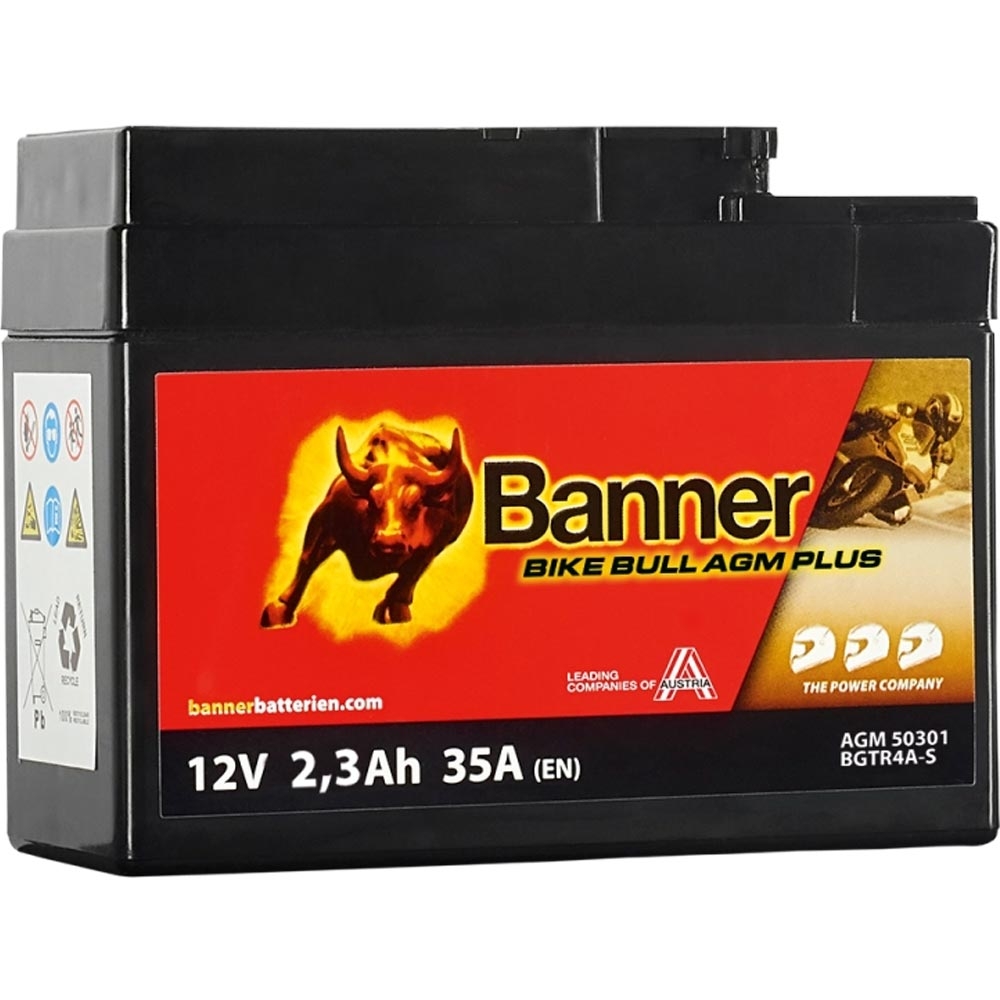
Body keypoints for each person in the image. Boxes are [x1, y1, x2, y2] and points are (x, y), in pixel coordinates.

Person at [842, 392, 963, 525]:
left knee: (903, 513)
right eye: (944, 422)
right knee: (858, 421)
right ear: (933, 410)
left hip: (899, 474)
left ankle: (868, 504)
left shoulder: (946, 451)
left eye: (951, 427)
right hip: (883, 444)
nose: (946, 429)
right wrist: (880, 414)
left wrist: (923, 484)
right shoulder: (912, 410)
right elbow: (886, 409)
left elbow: (935, 479)